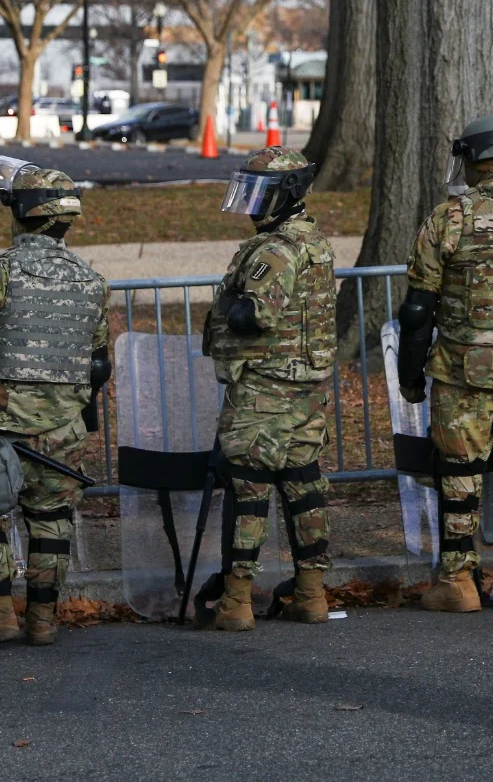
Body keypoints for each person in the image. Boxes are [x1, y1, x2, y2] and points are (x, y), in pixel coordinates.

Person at [0, 161, 110, 649]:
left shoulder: (0, 273)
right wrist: (83, 417)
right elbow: (96, 366)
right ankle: (44, 621)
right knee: (51, 521)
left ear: (22, 212)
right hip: (62, 429)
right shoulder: (90, 281)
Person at [397, 114, 493, 612]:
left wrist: (409, 374)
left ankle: (459, 580)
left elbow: (419, 307)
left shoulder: (451, 217)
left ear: (475, 159)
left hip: (464, 368)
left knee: (460, 472)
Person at [201, 146, 335, 631]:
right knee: (303, 485)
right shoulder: (313, 241)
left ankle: (236, 600)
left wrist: (228, 301)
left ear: (287, 195)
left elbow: (254, 315)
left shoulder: (275, 249)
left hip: (264, 388)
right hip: (304, 387)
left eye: (263, 195)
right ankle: (312, 593)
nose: (254, 206)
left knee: (249, 490)